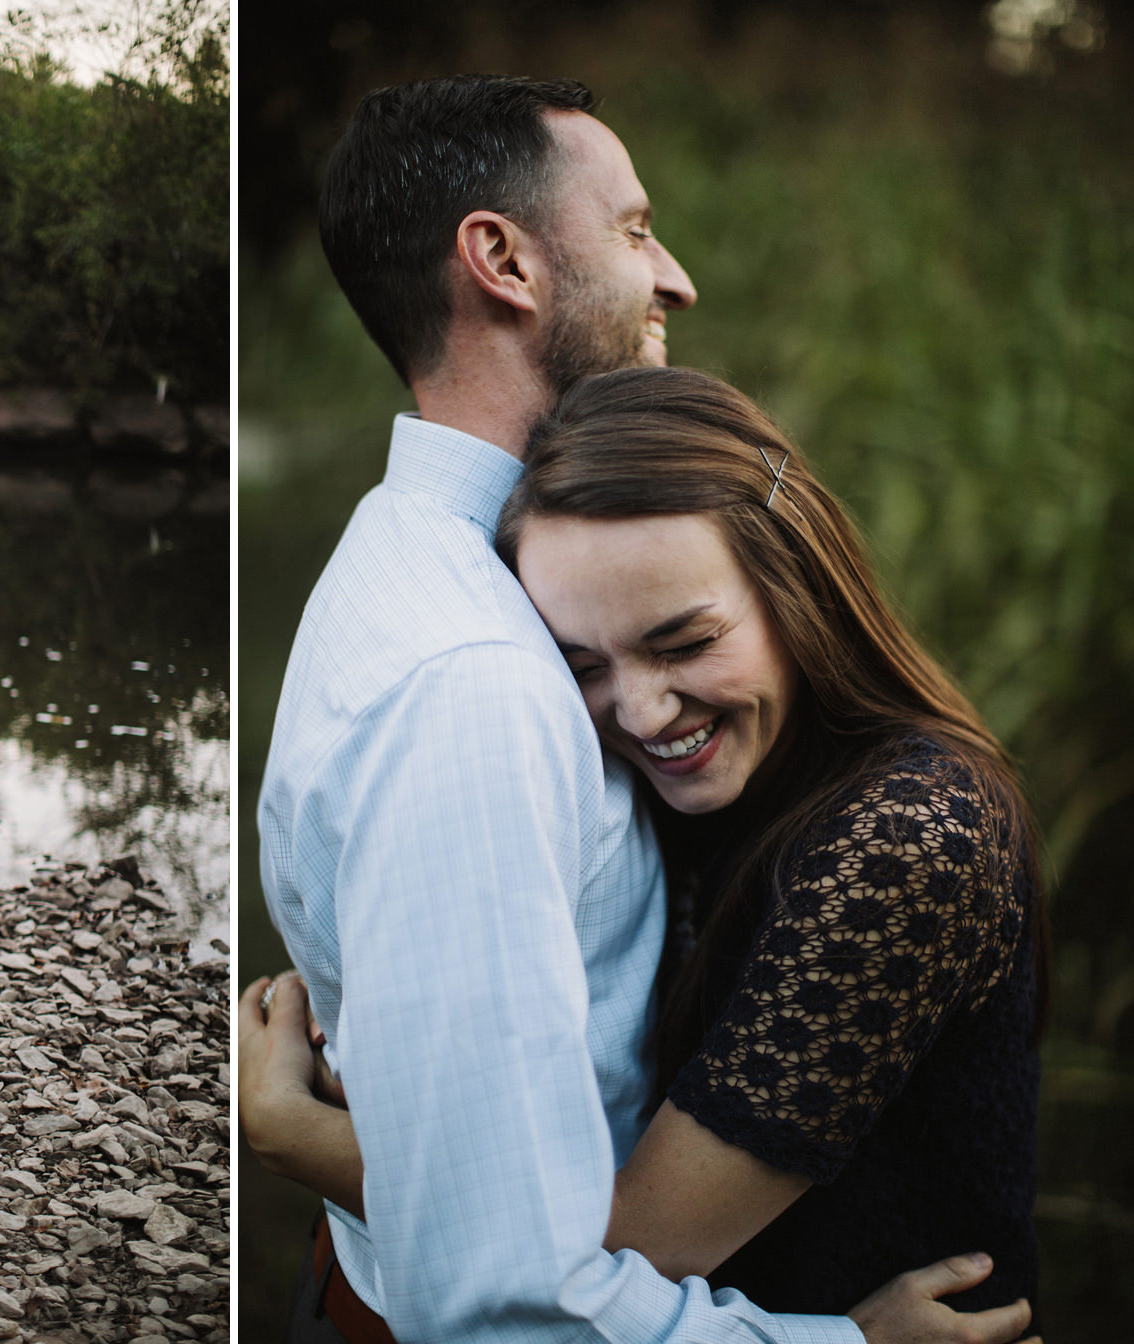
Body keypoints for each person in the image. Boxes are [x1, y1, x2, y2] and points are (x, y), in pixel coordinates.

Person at [246, 73, 1034, 1344]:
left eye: (683, 639)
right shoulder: (480, 676)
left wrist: (323, 1146)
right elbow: (511, 1291)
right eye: (631, 228)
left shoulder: (403, 565)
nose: (675, 279)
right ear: (501, 260)